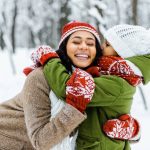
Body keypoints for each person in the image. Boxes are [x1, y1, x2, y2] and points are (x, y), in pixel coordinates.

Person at [25, 22, 150, 149]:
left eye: (106, 45)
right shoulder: (40, 77)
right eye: (76, 42)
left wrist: (49, 59)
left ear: (121, 54)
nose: (101, 47)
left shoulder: (117, 81)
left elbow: (68, 89)